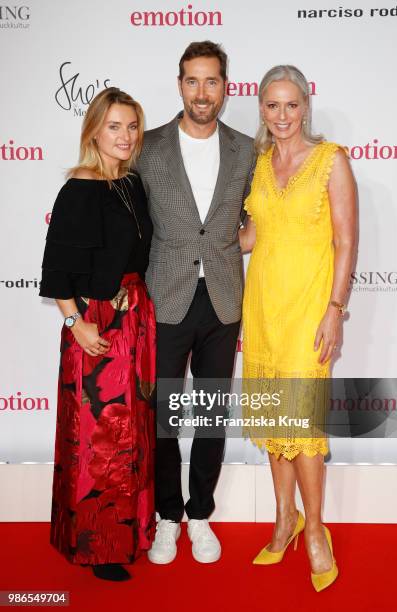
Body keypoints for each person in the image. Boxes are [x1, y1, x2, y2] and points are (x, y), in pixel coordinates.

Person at [239, 65, 356, 591]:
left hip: (309, 313)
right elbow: (249, 237)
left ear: (306, 105)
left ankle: (316, 532)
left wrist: (335, 309)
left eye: (290, 105)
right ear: (261, 109)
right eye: (271, 106)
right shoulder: (260, 165)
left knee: (304, 429)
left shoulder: (331, 161)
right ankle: (284, 518)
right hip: (262, 310)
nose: (281, 116)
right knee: (273, 424)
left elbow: (347, 242)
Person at [136, 41, 254, 564]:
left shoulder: (248, 148)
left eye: (212, 81)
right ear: (179, 83)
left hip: (224, 299)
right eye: (192, 81)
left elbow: (259, 218)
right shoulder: (149, 146)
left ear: (226, 87)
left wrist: (233, 243)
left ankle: (200, 513)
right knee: (162, 416)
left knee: (208, 414)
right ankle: (167, 516)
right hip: (164, 297)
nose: (202, 92)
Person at [39, 88, 155, 582]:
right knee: (99, 439)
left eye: (132, 127)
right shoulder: (79, 189)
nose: (125, 136)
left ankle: (132, 532)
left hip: (135, 321)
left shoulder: (131, 184)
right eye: (114, 127)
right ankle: (97, 545)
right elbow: (56, 270)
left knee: (134, 435)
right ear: (93, 131)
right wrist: (76, 323)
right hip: (95, 327)